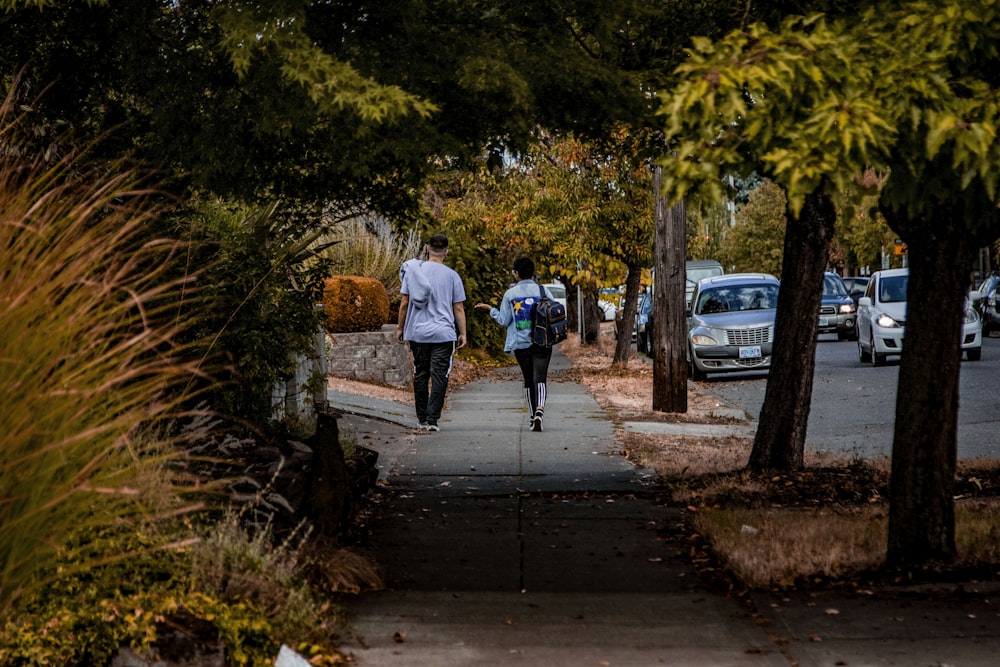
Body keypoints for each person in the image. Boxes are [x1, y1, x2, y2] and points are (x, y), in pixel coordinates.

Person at [474, 257, 554, 432]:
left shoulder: (511, 294)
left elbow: (504, 320)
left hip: (521, 343)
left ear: (516, 274)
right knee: (540, 378)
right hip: (543, 342)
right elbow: (553, 314)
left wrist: (490, 310)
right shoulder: (544, 291)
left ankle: (533, 416)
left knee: (528, 379)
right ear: (533, 273)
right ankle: (540, 411)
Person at [396, 233, 467, 431]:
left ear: (427, 248)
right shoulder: (452, 276)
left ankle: (422, 418)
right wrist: (463, 333)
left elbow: (404, 302)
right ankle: (433, 420)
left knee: (421, 373)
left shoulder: (414, 272)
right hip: (444, 334)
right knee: (440, 375)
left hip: (418, 333)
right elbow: (458, 308)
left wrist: (400, 328)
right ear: (447, 252)